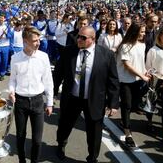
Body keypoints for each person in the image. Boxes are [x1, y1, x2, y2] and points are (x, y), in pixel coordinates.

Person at [54, 26, 119, 163]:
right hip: (72, 98)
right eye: (78, 36)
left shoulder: (106, 55)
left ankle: (92, 157)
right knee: (64, 125)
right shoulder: (68, 52)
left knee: (95, 132)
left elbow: (112, 80)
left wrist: (113, 103)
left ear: (93, 39)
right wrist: (52, 94)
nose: (79, 39)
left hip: (94, 99)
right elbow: (58, 74)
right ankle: (60, 145)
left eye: (83, 38)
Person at [8, 26, 54, 163]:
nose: (38, 43)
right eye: (34, 41)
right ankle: (22, 160)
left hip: (38, 101)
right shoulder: (15, 58)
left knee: (37, 140)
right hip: (21, 102)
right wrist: (11, 91)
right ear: (25, 41)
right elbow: (12, 80)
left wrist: (50, 103)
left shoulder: (43, 57)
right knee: (20, 136)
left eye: (38, 40)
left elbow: (48, 81)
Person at [116, 23, 150, 148]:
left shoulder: (142, 45)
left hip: (138, 79)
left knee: (134, 104)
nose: (143, 34)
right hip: (125, 80)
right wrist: (142, 76)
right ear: (134, 32)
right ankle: (127, 133)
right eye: (141, 32)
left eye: (144, 32)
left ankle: (123, 122)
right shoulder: (125, 46)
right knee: (127, 105)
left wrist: (145, 71)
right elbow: (127, 65)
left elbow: (141, 61)